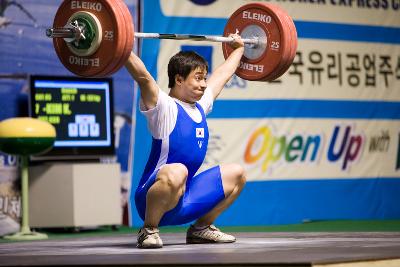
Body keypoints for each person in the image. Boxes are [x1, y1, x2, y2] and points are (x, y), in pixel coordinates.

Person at [125, 34, 247, 249]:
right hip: (151, 199)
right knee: (178, 170)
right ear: (179, 79)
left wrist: (238, 49)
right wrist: (119, 45)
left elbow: (223, 75)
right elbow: (143, 76)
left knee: (237, 173)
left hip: (185, 198)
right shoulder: (164, 107)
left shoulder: (201, 105)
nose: (203, 84)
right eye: (198, 78)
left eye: (204, 78)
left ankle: (201, 229)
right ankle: (148, 230)